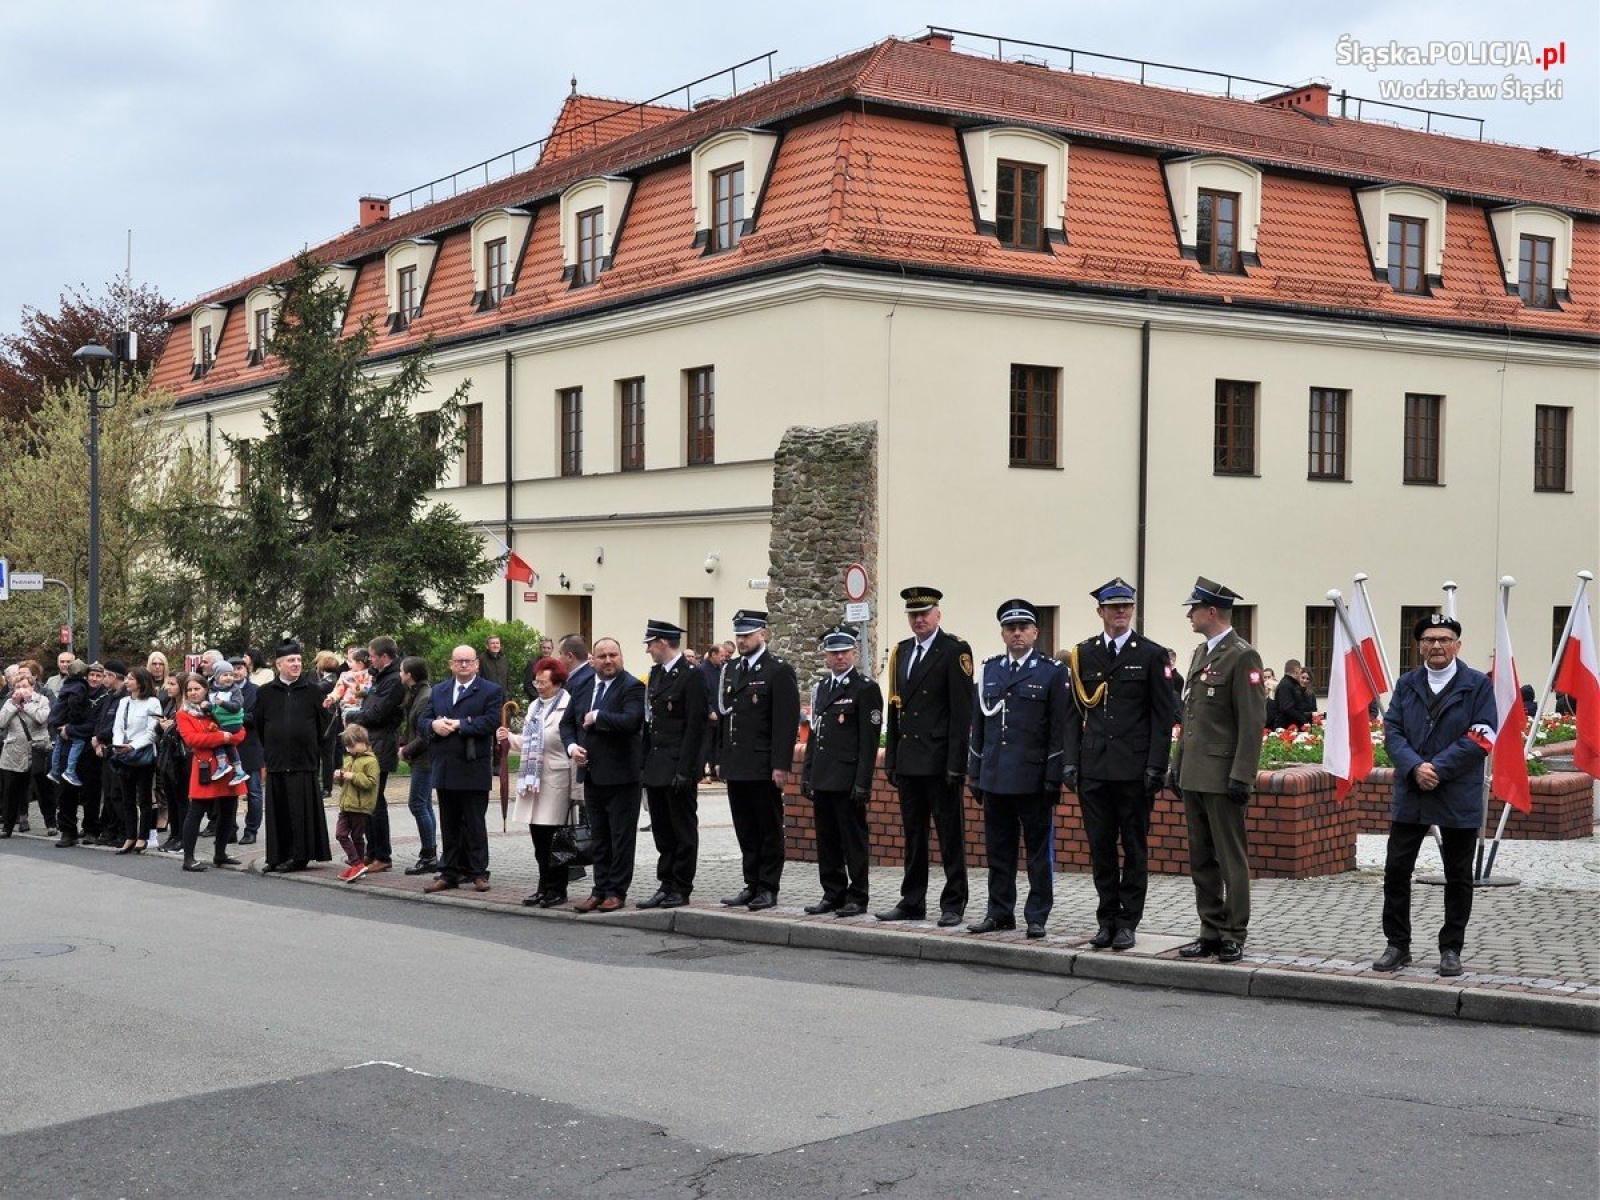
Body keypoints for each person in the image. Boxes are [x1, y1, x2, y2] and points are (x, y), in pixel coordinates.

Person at [1372, 614, 1497, 977]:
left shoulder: (1477, 685)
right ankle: (1397, 945)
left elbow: (1482, 735)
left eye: (1445, 639)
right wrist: (1415, 767)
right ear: (1419, 646)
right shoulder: (1408, 683)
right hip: (1413, 790)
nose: (1437, 646)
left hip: (1456, 791)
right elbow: (1392, 729)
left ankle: (1451, 949)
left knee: (1458, 875)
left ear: (1458, 644)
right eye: (1429, 639)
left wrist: (1437, 768)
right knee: (1396, 870)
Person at [1062, 578, 1177, 950]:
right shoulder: (1084, 654)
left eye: (1126, 607)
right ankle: (1106, 918)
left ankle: (1128, 921)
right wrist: (1071, 761)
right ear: (1101, 612)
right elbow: (1073, 715)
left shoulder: (1151, 654)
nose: (1121, 613)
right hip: (1094, 768)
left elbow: (1162, 718)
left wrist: (1155, 766)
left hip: (1133, 771)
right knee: (1100, 849)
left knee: (1134, 846)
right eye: (1114, 608)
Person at [1169, 577, 1267, 964]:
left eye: (1193, 609)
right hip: (1194, 774)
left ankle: (1234, 932)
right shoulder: (1199, 653)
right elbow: (1191, 715)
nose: (1189, 615)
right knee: (1201, 859)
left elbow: (1251, 722)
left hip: (1223, 776)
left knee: (1230, 858)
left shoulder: (1242, 656)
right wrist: (1177, 765)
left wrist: (1242, 775)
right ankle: (1209, 929)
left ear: (1211, 611)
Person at [966, 600, 1069, 938]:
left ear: (1036, 632)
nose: (1017, 634)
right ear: (1002, 633)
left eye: (1023, 628)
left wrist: (1054, 775)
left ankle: (1037, 915)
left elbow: (1059, 727)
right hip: (996, 775)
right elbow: (979, 726)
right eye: (1011, 628)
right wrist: (975, 771)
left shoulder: (1051, 671)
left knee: (1038, 854)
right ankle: (999, 912)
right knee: (998, 851)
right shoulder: (990, 669)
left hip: (1033, 777)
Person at [878, 585, 974, 926]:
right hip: (909, 759)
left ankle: (953, 902)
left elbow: (962, 713)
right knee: (913, 836)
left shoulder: (954, 650)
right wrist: (891, 758)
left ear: (938, 615)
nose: (919, 620)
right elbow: (895, 708)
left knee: (950, 835)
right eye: (913, 615)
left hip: (938, 760)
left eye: (924, 614)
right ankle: (912, 900)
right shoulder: (901, 652)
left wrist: (956, 763)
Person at [715, 610, 800, 911]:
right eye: (738, 635)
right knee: (745, 828)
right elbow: (727, 718)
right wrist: (721, 758)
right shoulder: (733, 669)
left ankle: (768, 887)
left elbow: (785, 723)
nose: (742, 641)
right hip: (737, 763)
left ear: (763, 634)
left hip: (763, 764)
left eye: (747, 635)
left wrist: (781, 765)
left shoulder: (777, 670)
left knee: (768, 827)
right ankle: (751, 883)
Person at [799, 624, 882, 918]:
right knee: (827, 840)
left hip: (848, 780)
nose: (840, 658)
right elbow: (815, 735)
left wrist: (863, 783)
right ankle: (832, 893)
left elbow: (869, 743)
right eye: (834, 653)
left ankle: (857, 896)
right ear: (826, 656)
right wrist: (807, 774)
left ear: (855, 653)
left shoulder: (865, 689)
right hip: (823, 776)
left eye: (845, 652)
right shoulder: (821, 689)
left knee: (853, 841)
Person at [559, 636, 645, 911]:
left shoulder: (631, 686)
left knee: (621, 838)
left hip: (622, 776)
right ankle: (598, 889)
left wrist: (598, 717)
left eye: (614, 655)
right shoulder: (583, 686)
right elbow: (567, 724)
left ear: (621, 657)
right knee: (600, 837)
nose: (609, 661)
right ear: (592, 660)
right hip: (592, 775)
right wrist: (572, 747)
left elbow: (632, 721)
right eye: (603, 656)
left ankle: (616, 892)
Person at [637, 619, 709, 909]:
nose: (648, 651)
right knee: (662, 831)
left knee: (682, 830)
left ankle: (681, 885)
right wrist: (643, 766)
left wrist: (687, 770)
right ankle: (665, 883)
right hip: (657, 765)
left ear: (663, 643)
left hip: (678, 766)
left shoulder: (691, 676)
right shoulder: (656, 674)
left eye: (650, 645)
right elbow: (649, 724)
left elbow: (696, 727)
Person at [420, 645, 503, 893]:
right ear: (451, 664)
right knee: (449, 823)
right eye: (459, 661)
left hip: (473, 766)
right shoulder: (439, 690)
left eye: (468, 661)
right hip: (445, 766)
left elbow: (490, 722)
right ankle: (449, 872)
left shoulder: (490, 690)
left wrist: (460, 724)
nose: (463, 665)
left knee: (475, 823)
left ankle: (478, 872)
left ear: (477, 664)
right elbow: (423, 720)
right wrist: (434, 725)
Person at [498, 656, 574, 907]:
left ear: (557, 683)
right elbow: (530, 744)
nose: (539, 686)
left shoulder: (567, 705)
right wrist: (509, 738)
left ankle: (557, 888)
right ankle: (543, 886)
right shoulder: (535, 707)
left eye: (543, 682)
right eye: (536, 681)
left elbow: (562, 742)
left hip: (556, 778)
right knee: (539, 839)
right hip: (533, 779)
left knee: (555, 839)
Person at [255, 639, 334, 873]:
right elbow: (260, 725)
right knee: (278, 810)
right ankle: (277, 856)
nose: (296, 664)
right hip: (277, 759)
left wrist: (307, 745)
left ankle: (299, 856)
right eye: (291, 660)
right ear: (279, 664)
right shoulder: (265, 693)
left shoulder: (312, 691)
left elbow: (322, 726)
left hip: (303, 760)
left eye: (299, 660)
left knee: (300, 811)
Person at [175, 672, 248, 871]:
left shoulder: (217, 707)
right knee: (196, 811)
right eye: (189, 690)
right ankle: (188, 858)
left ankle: (220, 853)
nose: (193, 693)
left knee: (228, 811)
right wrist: (223, 737)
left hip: (228, 768)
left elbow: (239, 731)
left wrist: (226, 737)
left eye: (197, 689)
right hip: (205, 767)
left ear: (205, 689)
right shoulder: (183, 714)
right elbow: (193, 740)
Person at [351, 635, 404, 873]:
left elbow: (378, 713)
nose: (369, 659)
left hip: (381, 743)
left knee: (375, 802)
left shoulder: (393, 680)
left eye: (372, 655)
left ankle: (382, 855)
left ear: (384, 656)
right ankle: (371, 854)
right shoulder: (380, 676)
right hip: (373, 741)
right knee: (368, 803)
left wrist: (352, 717)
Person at [110, 666, 163, 853]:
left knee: (145, 797)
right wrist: (119, 745)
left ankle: (143, 836)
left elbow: (152, 732)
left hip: (143, 755)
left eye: (131, 679)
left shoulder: (153, 703)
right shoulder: (124, 702)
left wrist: (133, 746)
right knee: (127, 798)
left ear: (140, 682)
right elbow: (118, 727)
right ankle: (130, 835)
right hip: (124, 754)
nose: (127, 682)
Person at [397, 656, 440, 875]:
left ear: (410, 675)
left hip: (425, 759)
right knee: (424, 805)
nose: (400, 674)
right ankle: (430, 853)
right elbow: (411, 727)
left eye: (402, 671)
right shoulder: (415, 694)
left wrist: (406, 750)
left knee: (417, 804)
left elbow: (425, 733)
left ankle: (429, 855)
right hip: (421, 758)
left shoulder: (424, 697)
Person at [1, 673, 50, 837]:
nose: (21, 690)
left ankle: (51, 824)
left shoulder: (42, 700)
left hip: (37, 749)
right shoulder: (9, 703)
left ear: (32, 687)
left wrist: (28, 704)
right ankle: (7, 826)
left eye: (25, 686)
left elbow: (42, 718)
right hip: (14, 752)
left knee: (43, 788)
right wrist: (14, 704)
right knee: (11, 790)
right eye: (18, 687)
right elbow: (1, 723)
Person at [333, 723, 381, 881]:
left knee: (357, 836)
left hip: (360, 806)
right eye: (347, 746)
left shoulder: (371, 762)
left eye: (352, 746)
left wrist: (353, 776)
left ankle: (357, 865)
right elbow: (344, 783)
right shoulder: (348, 759)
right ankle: (357, 864)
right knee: (340, 834)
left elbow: (371, 783)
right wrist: (340, 777)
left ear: (363, 742)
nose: (350, 749)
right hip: (346, 804)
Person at [45, 658, 91, 787]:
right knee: (78, 742)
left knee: (59, 745)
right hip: (65, 720)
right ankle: (70, 771)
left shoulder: (67, 684)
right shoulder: (79, 686)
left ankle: (55, 771)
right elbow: (74, 703)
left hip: (56, 718)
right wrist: (75, 720)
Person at [206, 661, 250, 784]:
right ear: (217, 677)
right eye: (225, 675)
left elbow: (236, 706)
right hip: (221, 722)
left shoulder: (234, 690)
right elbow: (214, 707)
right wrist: (207, 706)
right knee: (229, 745)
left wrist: (223, 703)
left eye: (231, 675)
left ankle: (222, 764)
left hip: (232, 722)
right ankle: (239, 770)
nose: (229, 678)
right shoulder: (212, 690)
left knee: (217, 738)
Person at [1274, 659, 1316, 728]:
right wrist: (1303, 721)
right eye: (1300, 671)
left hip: (1293, 726)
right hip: (1287, 728)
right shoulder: (1286, 685)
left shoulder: (1291, 684)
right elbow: (1287, 708)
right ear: (1296, 670)